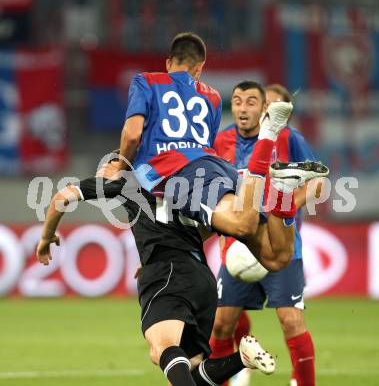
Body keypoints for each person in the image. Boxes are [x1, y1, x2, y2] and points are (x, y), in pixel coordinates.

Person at [35, 151, 276, 386]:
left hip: (165, 271)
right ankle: (240, 358)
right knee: (189, 367)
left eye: (108, 163)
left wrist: (46, 237)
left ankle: (239, 358)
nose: (103, 169)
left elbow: (62, 198)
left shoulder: (125, 183)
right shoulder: (185, 181)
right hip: (200, 276)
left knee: (163, 349)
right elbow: (209, 226)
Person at [109, 31, 328, 275]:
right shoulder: (210, 96)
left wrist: (120, 167)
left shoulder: (146, 81)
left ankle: (266, 137)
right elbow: (205, 148)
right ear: (200, 67)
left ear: (168, 62)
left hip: (179, 177)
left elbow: (131, 134)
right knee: (278, 259)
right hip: (213, 170)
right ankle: (284, 192)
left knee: (243, 226)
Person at [210, 82, 319, 386]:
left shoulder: (287, 138)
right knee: (220, 326)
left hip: (282, 248)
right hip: (239, 248)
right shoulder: (220, 143)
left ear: (262, 110)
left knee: (291, 320)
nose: (244, 109)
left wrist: (281, 207)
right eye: (238, 102)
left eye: (251, 103)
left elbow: (318, 185)